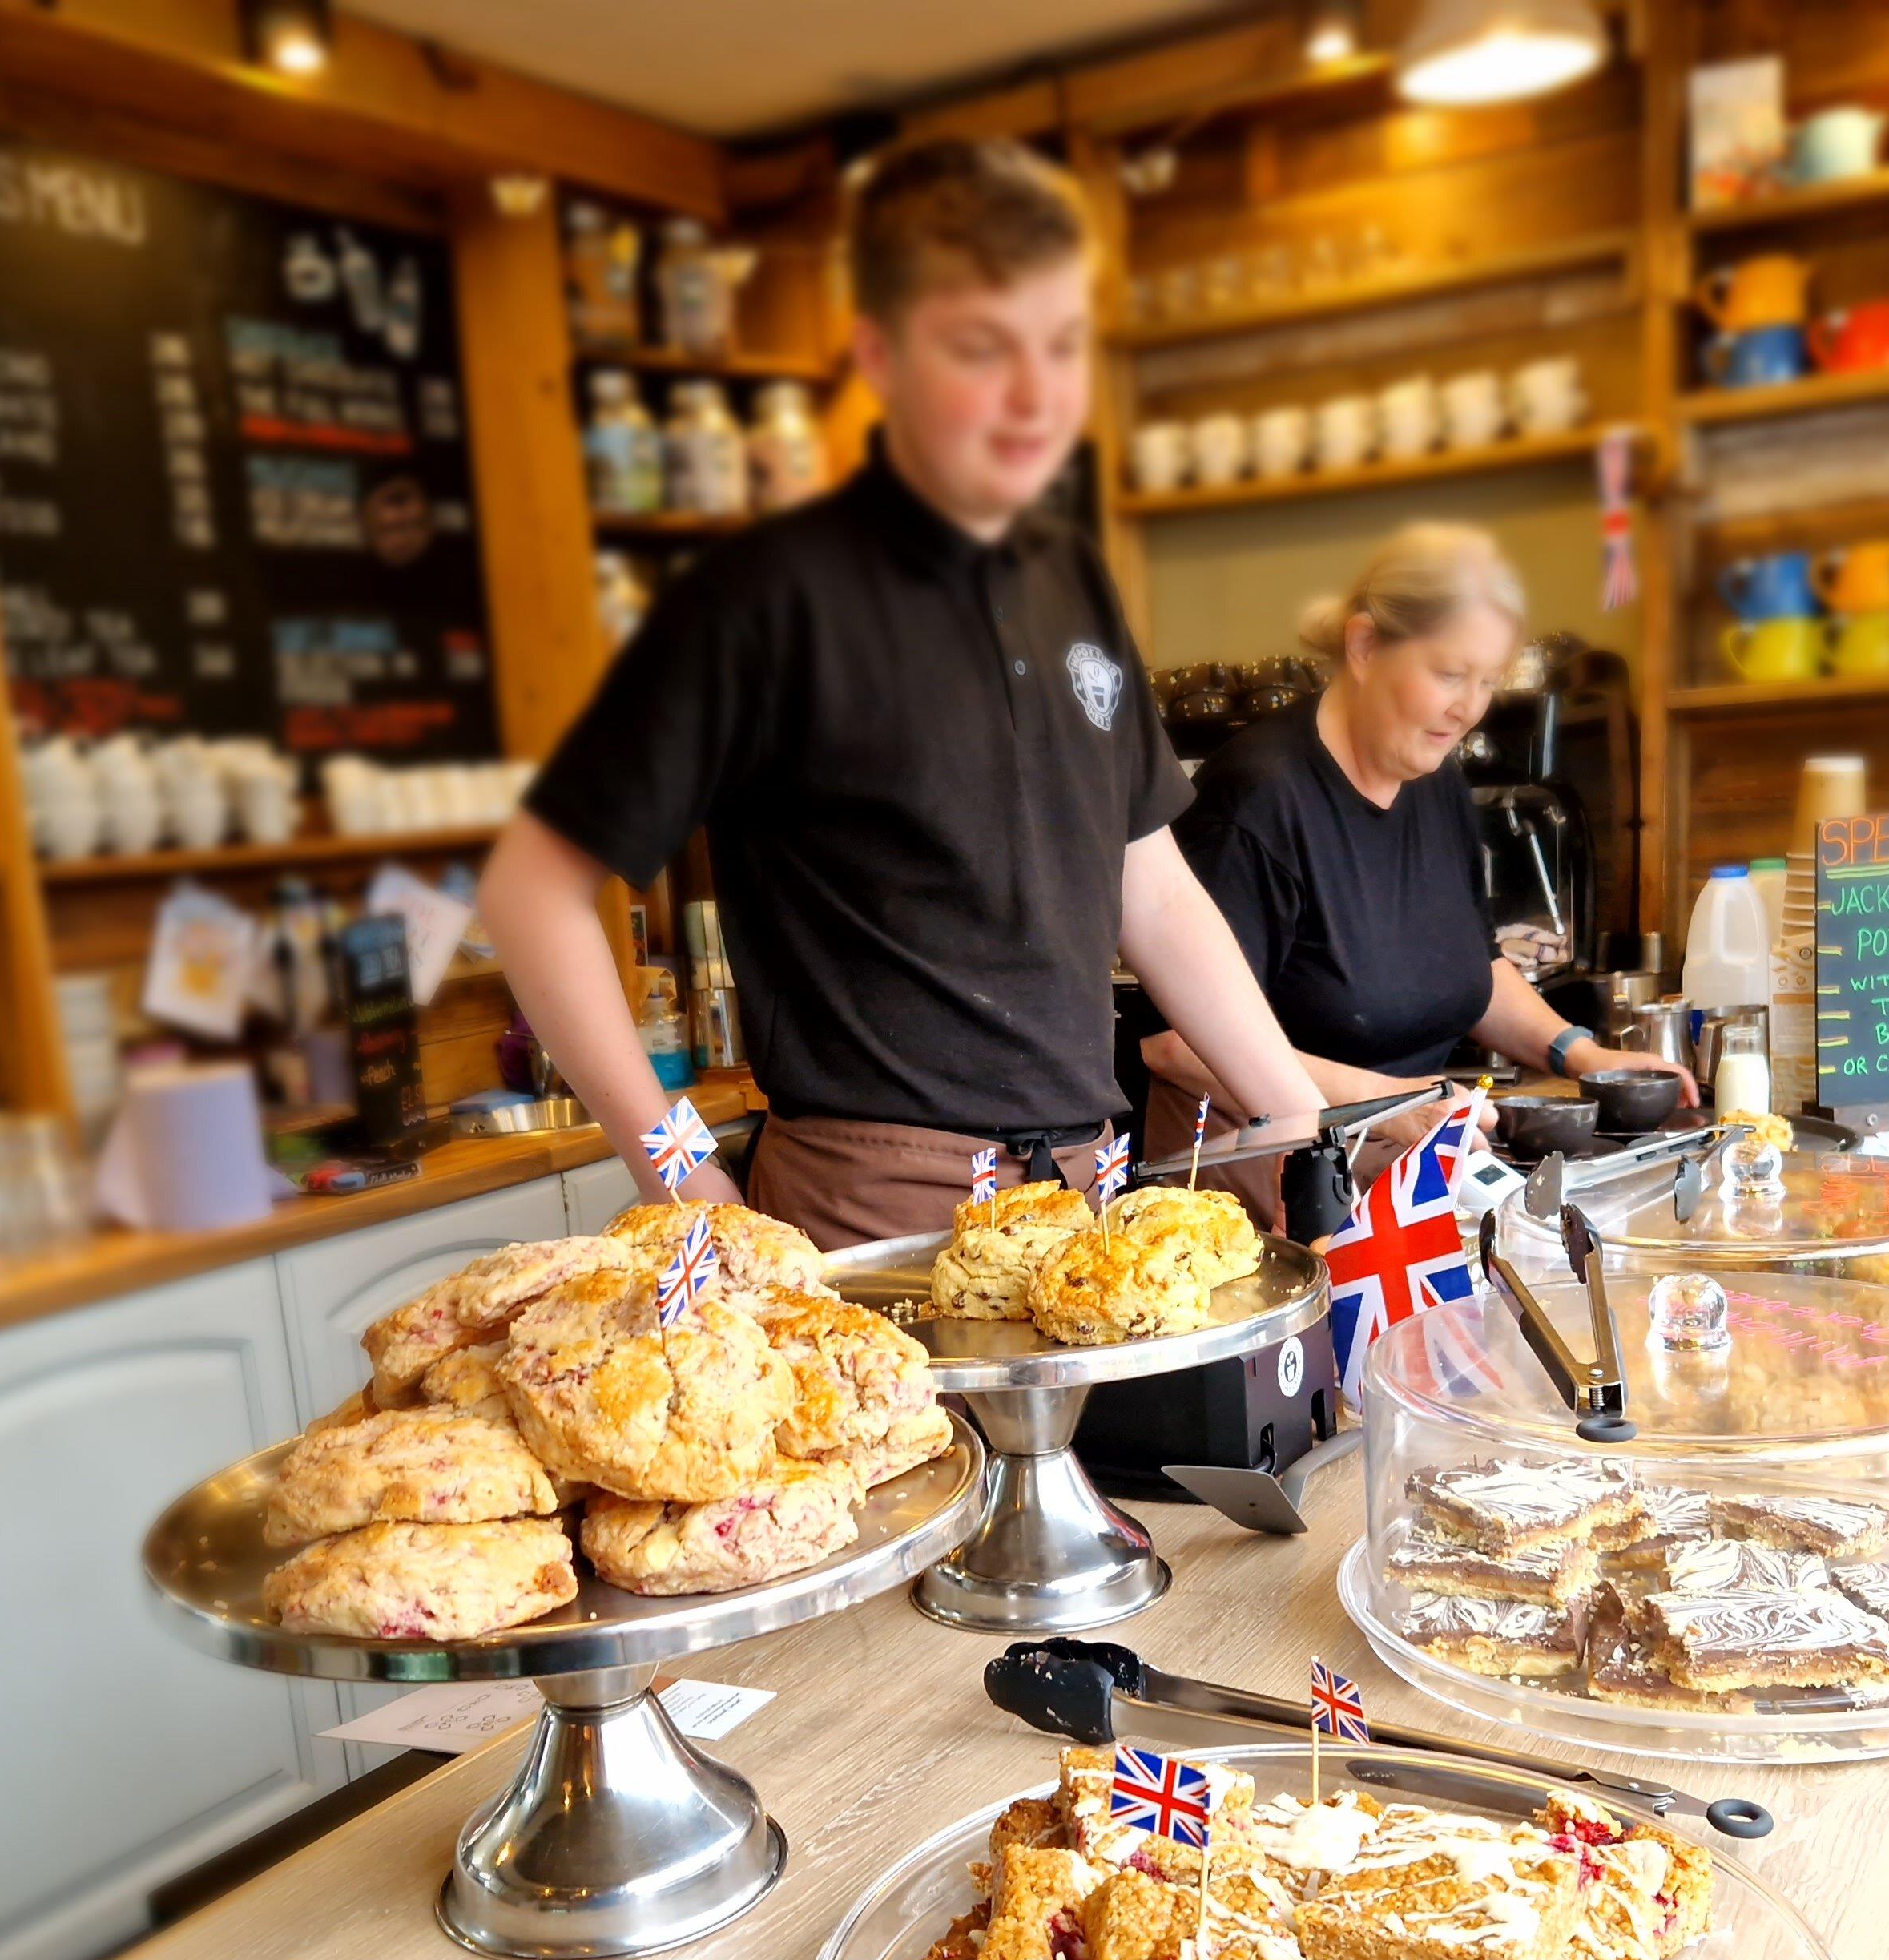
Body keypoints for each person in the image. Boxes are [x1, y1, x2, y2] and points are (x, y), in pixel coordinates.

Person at [483, 139, 1324, 1247]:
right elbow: (529, 890)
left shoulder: (1071, 578)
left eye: (1061, 346)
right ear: (881, 356)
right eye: (982, 349)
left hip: (1086, 1196)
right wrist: (684, 1183)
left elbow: (1153, 892)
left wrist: (1306, 1122)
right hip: (869, 1216)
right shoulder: (770, 597)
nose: (1035, 395)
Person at [1138, 524, 1686, 1225]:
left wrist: (1581, 1053)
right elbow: (1177, 1044)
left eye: (1489, 681)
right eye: (1450, 674)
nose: (1469, 708)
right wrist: (1394, 1103)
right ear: (1365, 647)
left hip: (1398, 1149)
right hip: (1256, 1173)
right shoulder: (1258, 799)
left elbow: (1470, 965)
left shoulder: (1433, 779)